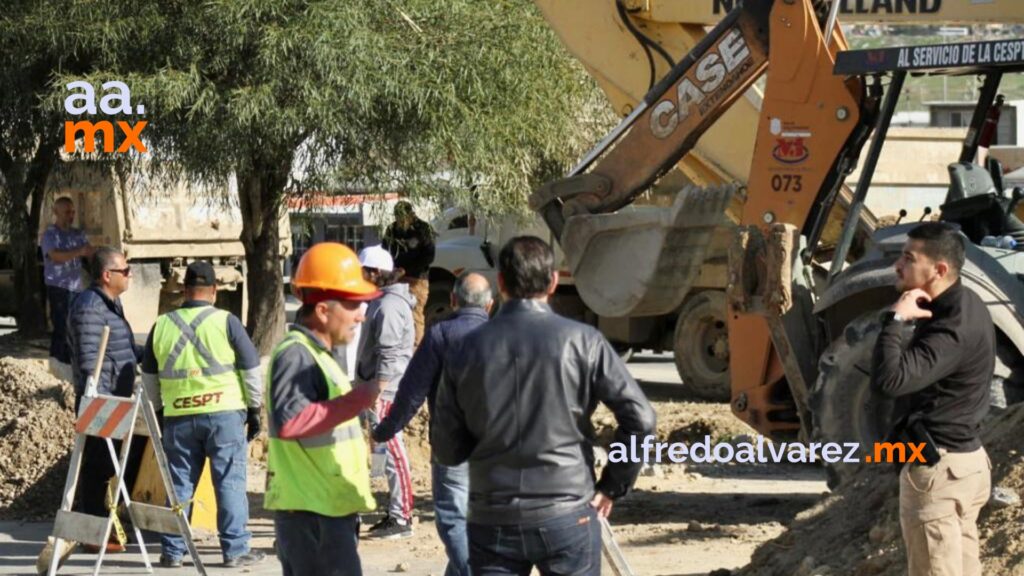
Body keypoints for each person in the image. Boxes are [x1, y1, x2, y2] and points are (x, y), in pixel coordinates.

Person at [432, 236, 657, 576]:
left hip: (492, 519)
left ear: (501, 283)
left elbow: (447, 448)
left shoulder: (465, 350)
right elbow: (641, 420)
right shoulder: (585, 342)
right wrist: (612, 485)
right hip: (568, 513)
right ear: (553, 281)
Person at [871, 222, 994, 576]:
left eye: (908, 258)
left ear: (939, 270)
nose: (897, 265)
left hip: (939, 473)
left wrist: (894, 320)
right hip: (965, 466)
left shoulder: (951, 326)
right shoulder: (966, 302)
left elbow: (889, 381)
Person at [265, 242, 382, 576]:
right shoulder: (296, 354)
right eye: (353, 303)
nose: (361, 314)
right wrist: (357, 400)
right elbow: (292, 421)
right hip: (311, 513)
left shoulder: (316, 356)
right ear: (323, 310)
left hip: (324, 507)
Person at [140, 261, 266, 569]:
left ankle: (172, 551)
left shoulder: (162, 325)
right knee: (229, 482)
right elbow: (250, 369)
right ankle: (235, 550)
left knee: (179, 484)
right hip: (224, 414)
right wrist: (255, 408)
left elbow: (149, 377)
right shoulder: (226, 322)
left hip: (179, 416)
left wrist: (159, 410)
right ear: (214, 291)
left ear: (184, 291)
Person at [373, 272, 493, 576]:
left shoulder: (440, 335)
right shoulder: (502, 336)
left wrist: (386, 428)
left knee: (453, 521)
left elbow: (412, 392)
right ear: (490, 306)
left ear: (452, 300)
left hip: (451, 448)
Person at [66, 246, 142, 554]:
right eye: (125, 271)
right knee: (97, 468)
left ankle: (105, 527)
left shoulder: (111, 303)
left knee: (115, 464)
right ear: (107, 275)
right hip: (101, 401)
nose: (130, 275)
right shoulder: (89, 308)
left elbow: (121, 346)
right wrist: (100, 399)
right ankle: (93, 534)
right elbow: (89, 360)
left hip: (117, 399)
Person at [356, 245, 417, 539]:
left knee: (392, 449)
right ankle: (396, 511)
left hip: (386, 389)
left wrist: (377, 390)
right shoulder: (383, 301)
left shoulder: (390, 305)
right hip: (380, 387)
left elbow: (389, 353)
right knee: (385, 450)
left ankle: (402, 516)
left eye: (363, 273)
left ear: (376, 273)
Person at [42, 197, 94, 380]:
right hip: (58, 287)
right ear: (56, 213)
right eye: (67, 212)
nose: (71, 216)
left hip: (75, 287)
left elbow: (89, 254)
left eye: (72, 212)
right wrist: (79, 252)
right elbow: (55, 256)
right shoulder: (50, 235)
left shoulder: (78, 234)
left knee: (73, 326)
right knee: (61, 326)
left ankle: (70, 364)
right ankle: (57, 363)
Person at [382, 201, 435, 345]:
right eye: (398, 218)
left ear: (411, 215)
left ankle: (416, 349)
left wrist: (406, 270)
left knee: (415, 317)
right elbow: (385, 252)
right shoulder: (391, 230)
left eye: (403, 218)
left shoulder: (423, 229)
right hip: (394, 280)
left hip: (416, 280)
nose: (400, 222)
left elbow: (428, 257)